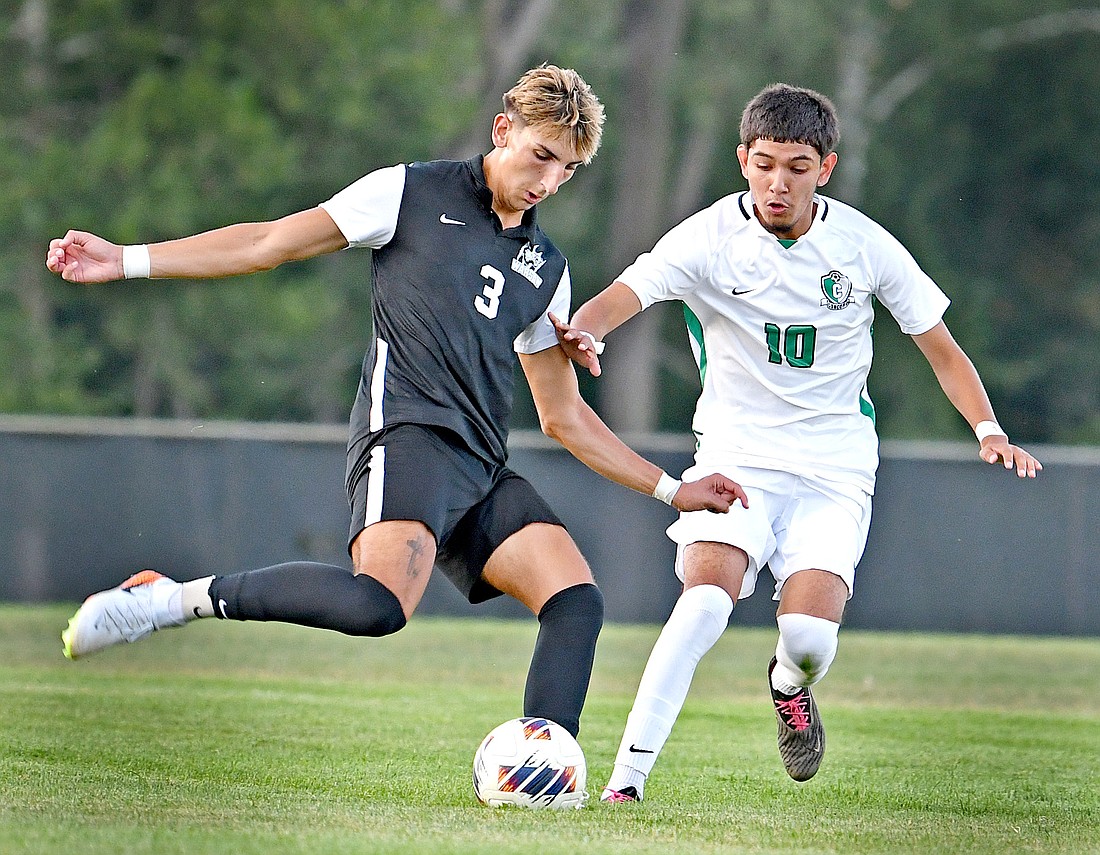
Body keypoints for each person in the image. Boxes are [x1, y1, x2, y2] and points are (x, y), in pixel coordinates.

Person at [45, 64, 744, 742]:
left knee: (576, 601)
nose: (548, 180)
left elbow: (563, 418)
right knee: (377, 606)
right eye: (540, 156)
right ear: (503, 129)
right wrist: (127, 259)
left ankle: (543, 762)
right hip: (406, 438)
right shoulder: (406, 194)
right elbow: (265, 243)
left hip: (480, 468)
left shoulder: (548, 269)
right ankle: (168, 599)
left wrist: (672, 488)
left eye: (566, 169)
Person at [553, 82, 1042, 799]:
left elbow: (939, 346)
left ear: (827, 168)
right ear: (742, 160)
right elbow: (628, 291)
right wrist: (588, 327)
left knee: (810, 640)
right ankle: (626, 782)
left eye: (798, 166)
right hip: (736, 455)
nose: (778, 182)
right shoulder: (708, 238)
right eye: (764, 163)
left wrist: (989, 428)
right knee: (703, 604)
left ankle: (788, 685)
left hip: (834, 466)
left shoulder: (863, 245)